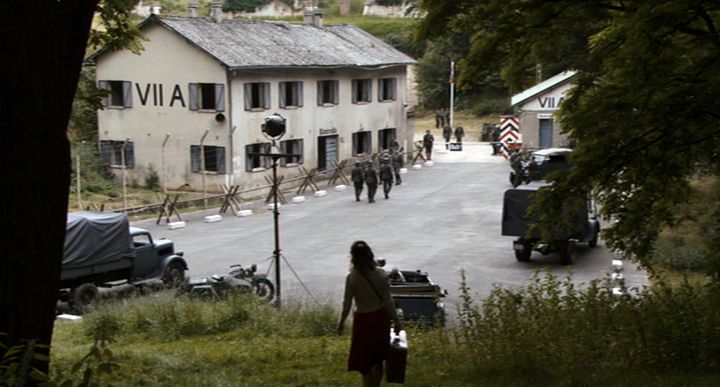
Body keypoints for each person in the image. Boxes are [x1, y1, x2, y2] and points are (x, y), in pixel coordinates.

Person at [338, 241, 402, 387]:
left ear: (353, 257)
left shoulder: (352, 277)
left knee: (364, 362)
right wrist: (397, 322)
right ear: (370, 254)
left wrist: (341, 322)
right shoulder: (381, 274)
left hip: (362, 321)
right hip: (380, 319)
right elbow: (389, 302)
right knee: (378, 359)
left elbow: (347, 304)